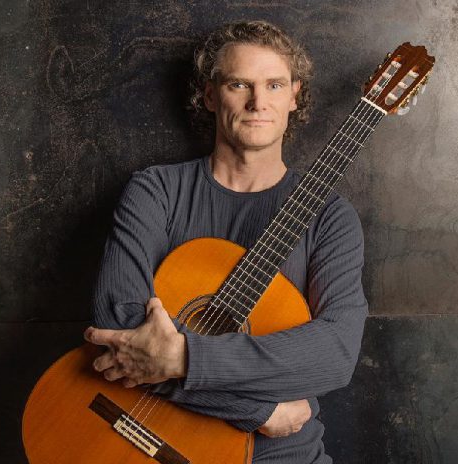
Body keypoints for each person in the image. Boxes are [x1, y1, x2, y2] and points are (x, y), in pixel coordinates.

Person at [84, 20, 368, 463]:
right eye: (240, 84)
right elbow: (116, 327)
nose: (258, 102)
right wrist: (254, 410)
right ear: (210, 94)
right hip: (147, 437)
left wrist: (182, 358)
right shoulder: (156, 191)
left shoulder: (330, 216)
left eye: (274, 85)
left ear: (295, 95)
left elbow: (334, 354)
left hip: (282, 454)